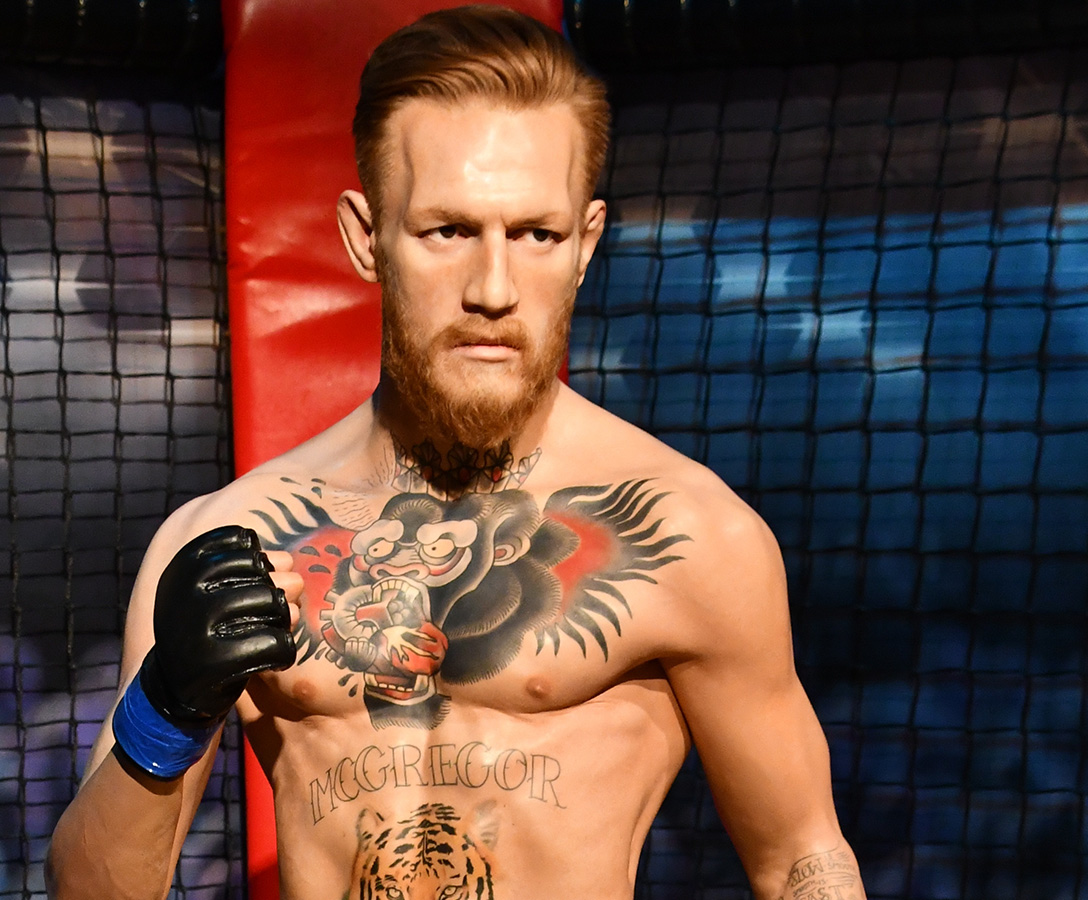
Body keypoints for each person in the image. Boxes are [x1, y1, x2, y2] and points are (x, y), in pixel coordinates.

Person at [46, 6, 867, 899]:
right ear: (366, 237)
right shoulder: (229, 536)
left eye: (537, 234)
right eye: (448, 231)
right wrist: (167, 706)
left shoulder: (695, 537)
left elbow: (800, 860)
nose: (494, 288)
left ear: (586, 243)